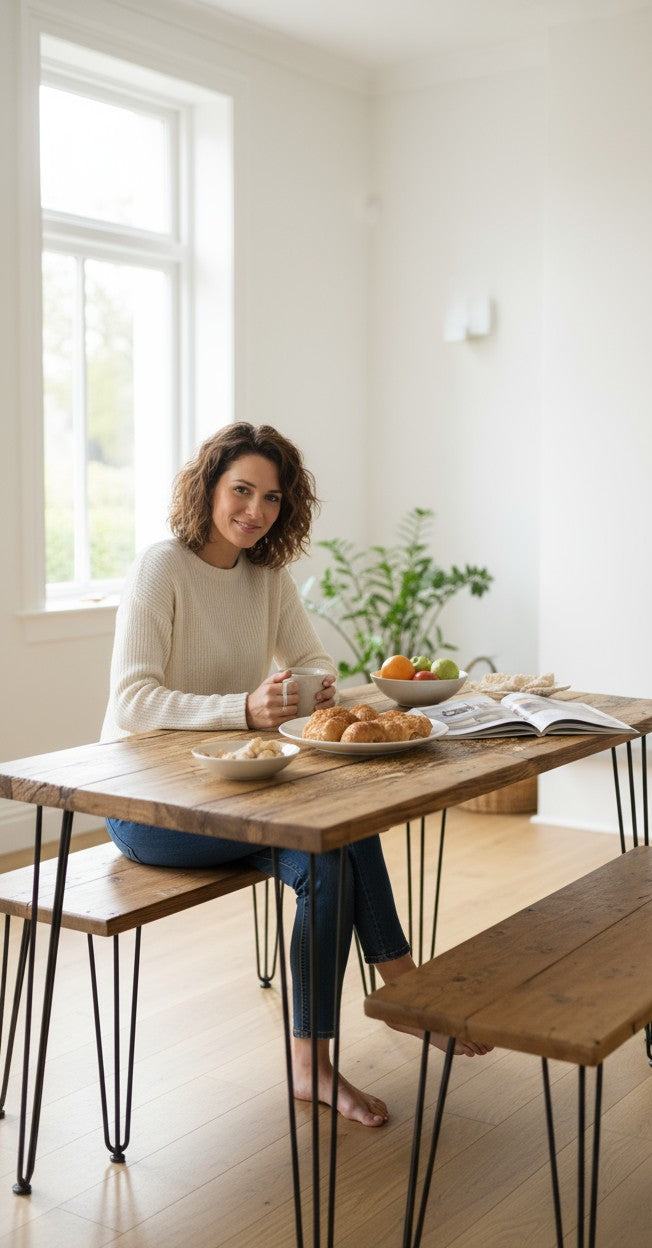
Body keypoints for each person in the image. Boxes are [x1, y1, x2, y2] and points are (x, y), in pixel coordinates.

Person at [101, 422, 489, 1128]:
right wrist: (243, 707)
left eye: (271, 499)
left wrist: (314, 688)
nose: (255, 511)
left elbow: (313, 661)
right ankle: (403, 985)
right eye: (240, 491)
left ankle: (312, 1065)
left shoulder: (267, 577)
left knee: (331, 841)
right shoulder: (162, 567)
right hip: (147, 807)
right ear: (208, 488)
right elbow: (132, 702)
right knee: (328, 838)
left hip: (229, 789)